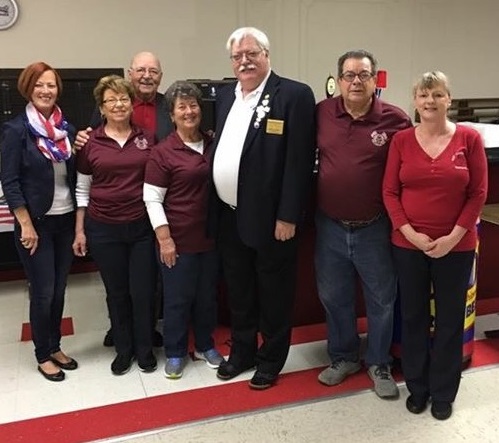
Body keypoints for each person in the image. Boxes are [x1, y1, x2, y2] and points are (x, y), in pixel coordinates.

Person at [211, 27, 316, 390]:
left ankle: (271, 359)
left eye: (251, 54)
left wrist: (288, 215)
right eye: (238, 56)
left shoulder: (294, 95)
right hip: (230, 214)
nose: (245, 61)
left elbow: (299, 162)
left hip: (273, 220)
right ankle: (241, 352)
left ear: (267, 54)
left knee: (274, 293)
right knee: (239, 290)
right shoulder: (226, 97)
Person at [382, 71, 487, 419]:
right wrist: (411, 234)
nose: (430, 101)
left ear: (449, 99)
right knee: (412, 317)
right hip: (409, 245)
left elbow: (478, 193)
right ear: (415, 101)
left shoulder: (469, 139)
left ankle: (443, 391)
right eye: (424, 95)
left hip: (455, 247)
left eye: (437, 95)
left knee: (449, 320)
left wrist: (453, 237)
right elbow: (390, 192)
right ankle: (418, 386)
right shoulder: (401, 141)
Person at [315, 50, 411, 398]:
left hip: (375, 227)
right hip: (329, 226)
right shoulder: (322, 113)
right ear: (338, 80)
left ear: (375, 79)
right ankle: (343, 358)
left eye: (364, 75)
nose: (356, 81)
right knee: (333, 296)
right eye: (350, 75)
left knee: (382, 298)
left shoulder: (396, 120)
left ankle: (379, 362)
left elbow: (410, 172)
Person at [75, 51, 172, 348]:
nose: (147, 75)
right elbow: (89, 151)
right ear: (131, 73)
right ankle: (121, 331)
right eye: (141, 70)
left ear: (160, 75)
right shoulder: (106, 109)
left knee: (148, 282)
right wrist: (81, 139)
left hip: (154, 210)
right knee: (117, 284)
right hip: (108, 217)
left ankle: (146, 331)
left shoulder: (169, 106)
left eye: (153, 71)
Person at [0, 62, 78, 382]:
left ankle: (55, 345)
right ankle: (42, 354)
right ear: (28, 89)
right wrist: (26, 224)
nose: (46, 91)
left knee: (59, 290)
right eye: (39, 85)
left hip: (66, 219)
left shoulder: (67, 130)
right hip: (37, 225)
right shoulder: (17, 129)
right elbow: (9, 180)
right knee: (43, 291)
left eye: (51, 85)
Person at [144, 81, 224, 379]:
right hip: (176, 240)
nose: (189, 111)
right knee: (177, 300)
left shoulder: (213, 144)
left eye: (193, 105)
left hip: (210, 238)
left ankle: (205, 345)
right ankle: (176, 352)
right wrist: (164, 240)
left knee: (207, 297)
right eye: (182, 107)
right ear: (172, 114)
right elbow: (152, 199)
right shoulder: (163, 152)